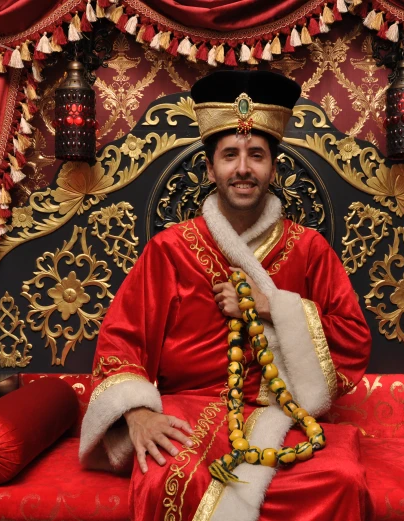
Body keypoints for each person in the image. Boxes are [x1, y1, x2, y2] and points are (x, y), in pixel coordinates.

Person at [80, 70, 373, 521]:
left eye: (256, 155)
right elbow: (122, 342)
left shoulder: (310, 249)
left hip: (285, 415)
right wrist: (137, 413)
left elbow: (353, 340)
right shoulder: (170, 250)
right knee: (167, 479)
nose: (243, 168)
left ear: (273, 167)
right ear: (210, 167)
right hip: (188, 409)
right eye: (230, 155)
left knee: (341, 481)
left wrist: (273, 306)